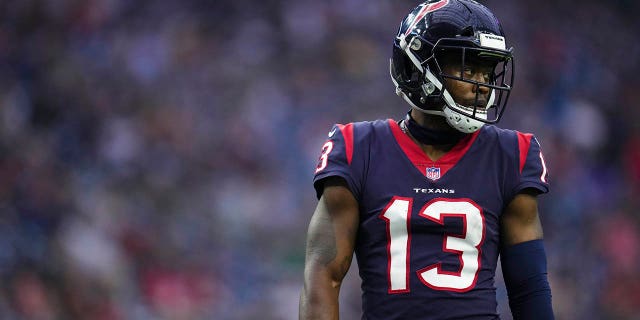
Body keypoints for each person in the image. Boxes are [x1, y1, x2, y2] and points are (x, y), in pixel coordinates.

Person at [299, 0, 554, 319]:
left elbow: (528, 288)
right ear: (418, 67)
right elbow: (323, 276)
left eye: (486, 71)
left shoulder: (511, 155)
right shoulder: (357, 148)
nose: (482, 86)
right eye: (467, 68)